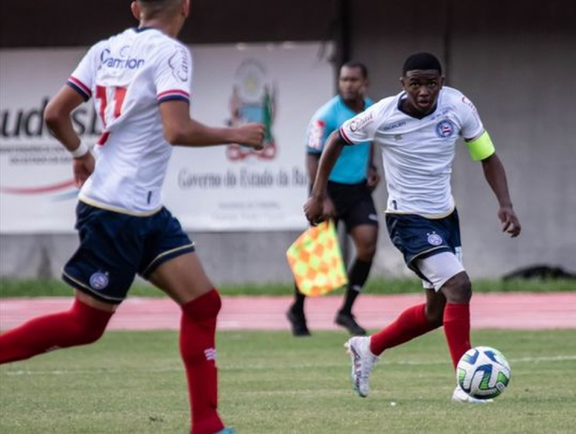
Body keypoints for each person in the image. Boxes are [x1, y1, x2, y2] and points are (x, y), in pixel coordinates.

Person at [0, 1, 263, 433]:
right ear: (186, 7)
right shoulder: (171, 52)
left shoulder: (105, 48)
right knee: (85, 326)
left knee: (202, 305)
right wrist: (235, 133)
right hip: (116, 211)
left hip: (140, 209)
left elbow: (54, 114)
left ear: (136, 6)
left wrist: (81, 153)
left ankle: (208, 426)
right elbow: (176, 130)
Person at [304, 52, 522, 403]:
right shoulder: (382, 114)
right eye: (416, 83)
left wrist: (506, 204)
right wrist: (317, 195)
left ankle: (368, 347)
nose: (424, 91)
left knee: (436, 313)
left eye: (431, 83)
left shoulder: (459, 107)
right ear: (402, 84)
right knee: (459, 286)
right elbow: (334, 141)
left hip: (445, 218)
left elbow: (486, 155)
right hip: (407, 219)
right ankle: (466, 386)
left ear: (442, 82)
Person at [286, 61, 380, 337]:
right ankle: (297, 309)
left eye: (353, 80)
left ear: (365, 82)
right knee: (318, 252)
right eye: (344, 79)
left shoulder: (372, 110)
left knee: (368, 244)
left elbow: (369, 142)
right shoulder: (326, 115)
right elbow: (311, 155)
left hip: (357, 189)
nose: (348, 84)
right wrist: (321, 196)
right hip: (327, 189)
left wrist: (371, 169)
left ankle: (346, 310)